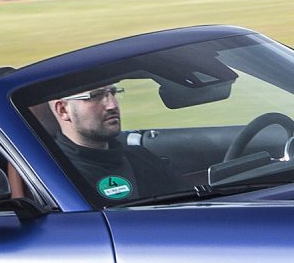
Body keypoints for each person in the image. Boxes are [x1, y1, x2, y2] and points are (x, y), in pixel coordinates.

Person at [45, 81, 189, 204]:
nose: (112, 105)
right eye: (95, 96)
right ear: (63, 110)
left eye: (113, 93)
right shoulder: (54, 173)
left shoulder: (140, 158)